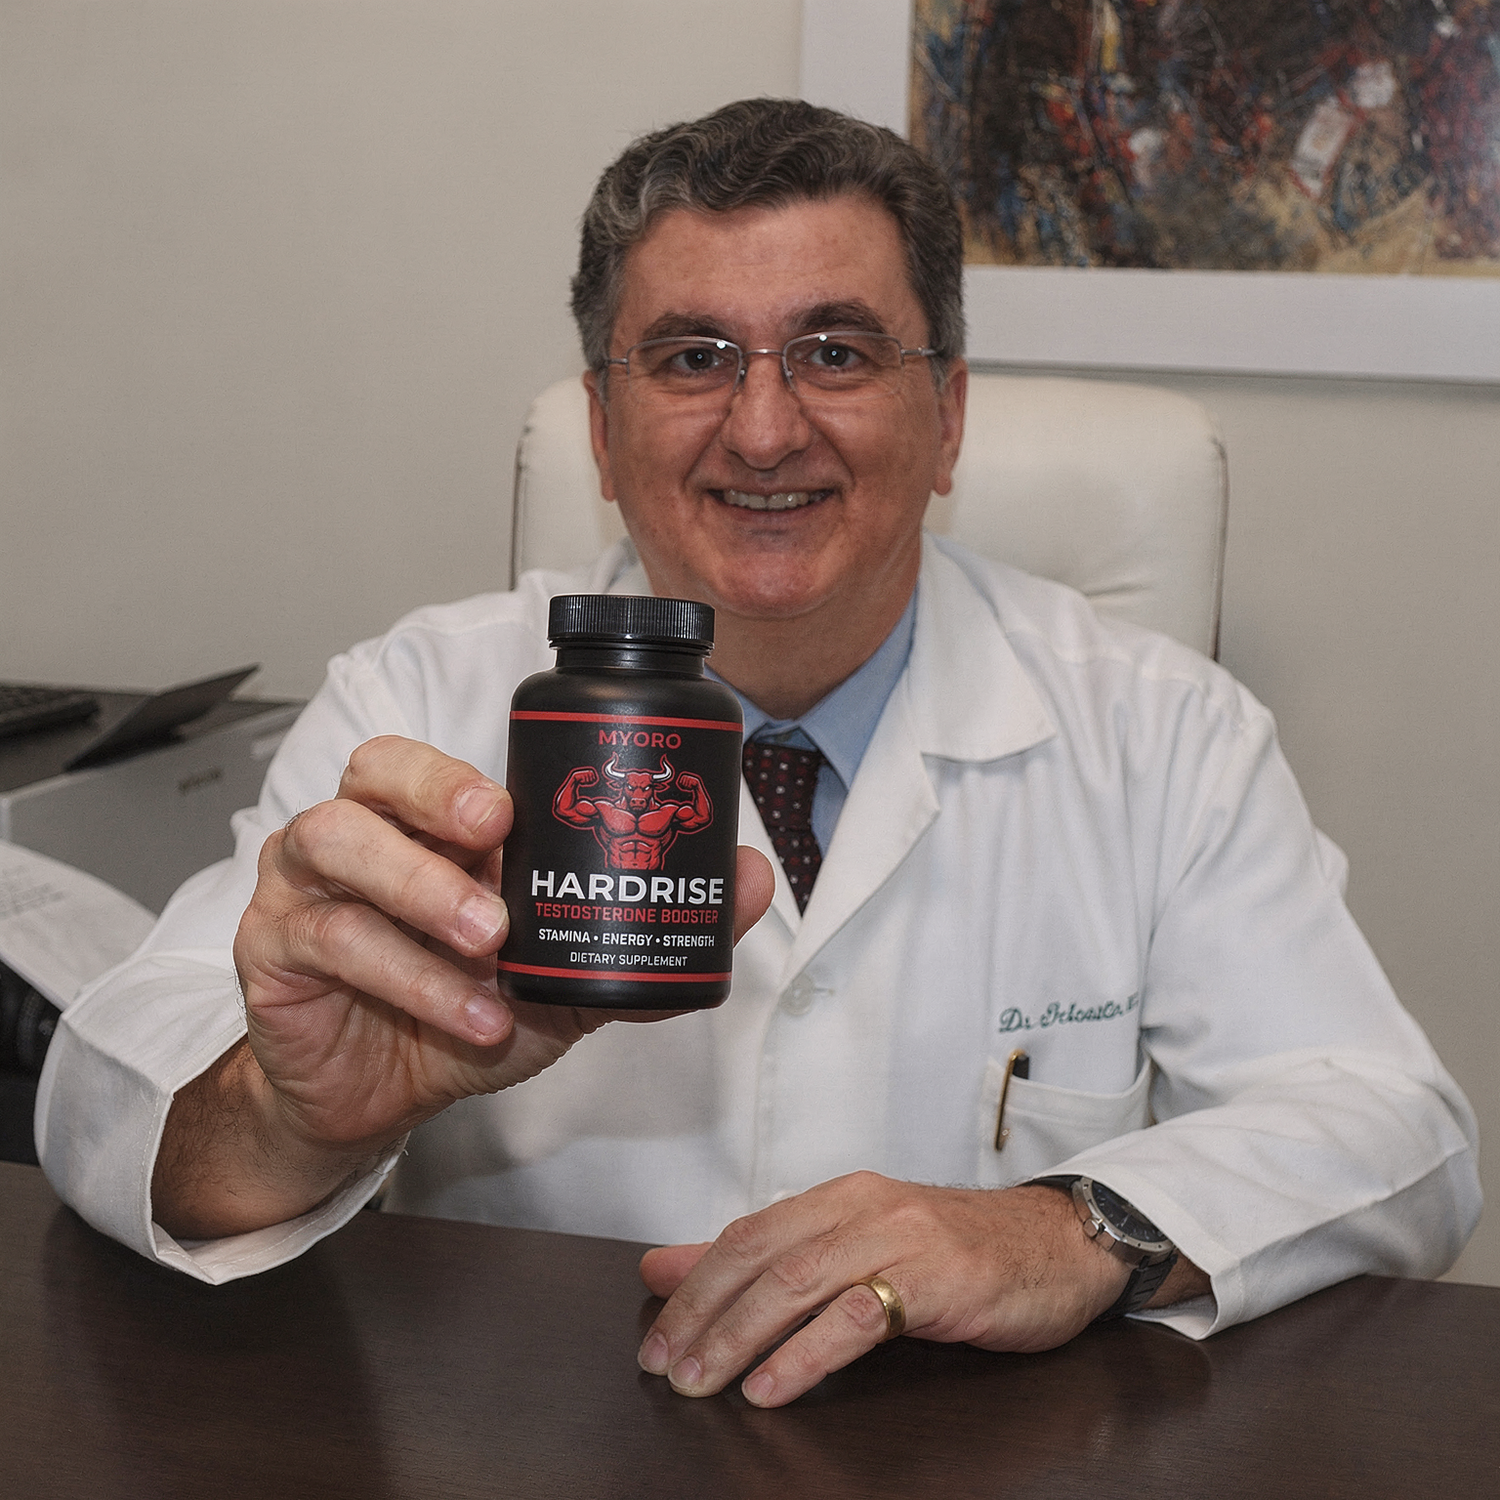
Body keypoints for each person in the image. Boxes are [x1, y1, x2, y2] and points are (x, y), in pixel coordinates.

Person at [38, 99, 1478, 1409]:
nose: (767, 428)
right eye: (692, 358)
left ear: (948, 417)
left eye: (836, 352)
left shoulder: (1162, 729)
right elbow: (107, 1091)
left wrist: (1066, 1229)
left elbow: (1392, 1126)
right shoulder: (419, 701)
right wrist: (284, 1120)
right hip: (534, 1439)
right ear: (602, 429)